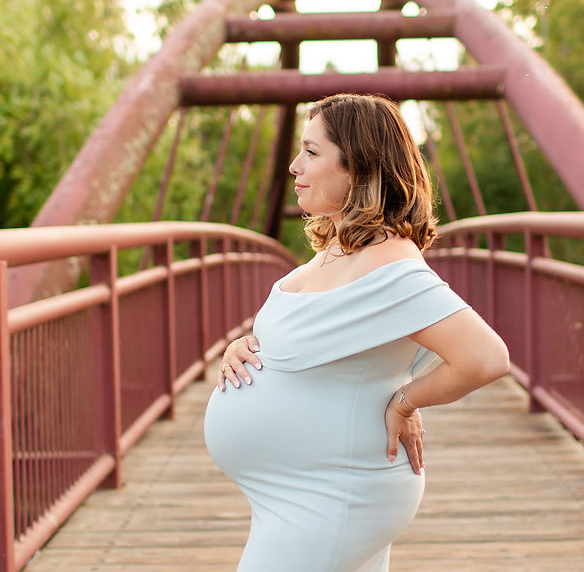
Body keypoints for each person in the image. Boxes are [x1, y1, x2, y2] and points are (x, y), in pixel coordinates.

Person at [204, 93, 509, 572]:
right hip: (306, 491)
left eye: (311, 152)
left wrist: (406, 401)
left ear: (359, 168)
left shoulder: (389, 262)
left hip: (331, 496)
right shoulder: (341, 247)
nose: (292, 165)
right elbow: (324, 331)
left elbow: (486, 357)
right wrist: (246, 347)